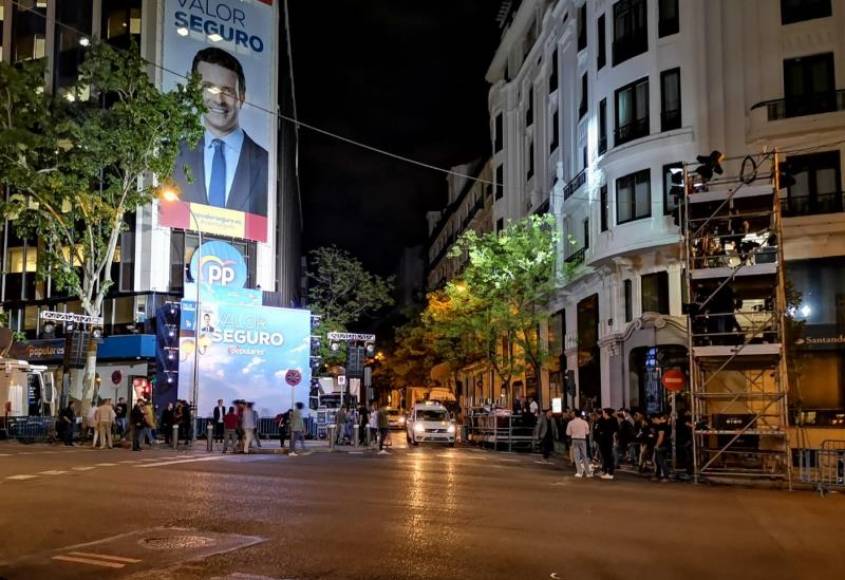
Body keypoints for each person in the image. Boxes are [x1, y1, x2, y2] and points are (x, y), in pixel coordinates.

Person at [172, 47, 268, 216]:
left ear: (242, 97)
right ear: (195, 91)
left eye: (227, 91)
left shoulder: (266, 163)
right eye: (208, 88)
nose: (218, 99)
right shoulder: (174, 155)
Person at [565, 411, 592, 478]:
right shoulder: (584, 422)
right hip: (583, 440)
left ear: (574, 415)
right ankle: (588, 473)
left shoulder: (571, 422)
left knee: (576, 456)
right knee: (584, 456)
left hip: (574, 439)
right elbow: (587, 432)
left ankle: (579, 472)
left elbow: (568, 433)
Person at [595, 408, 619, 480]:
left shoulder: (613, 420)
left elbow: (616, 430)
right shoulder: (601, 420)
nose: (603, 414)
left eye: (604, 412)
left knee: (609, 456)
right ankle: (604, 471)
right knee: (604, 456)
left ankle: (610, 472)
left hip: (608, 440)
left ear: (607, 413)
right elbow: (597, 429)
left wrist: (614, 440)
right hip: (601, 441)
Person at [653, 413, 672, 482]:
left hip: (661, 446)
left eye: (655, 419)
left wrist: (657, 445)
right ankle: (659, 475)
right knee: (658, 460)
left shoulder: (661, 426)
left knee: (660, 461)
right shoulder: (667, 425)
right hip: (666, 445)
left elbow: (661, 437)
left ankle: (665, 476)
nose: (654, 421)